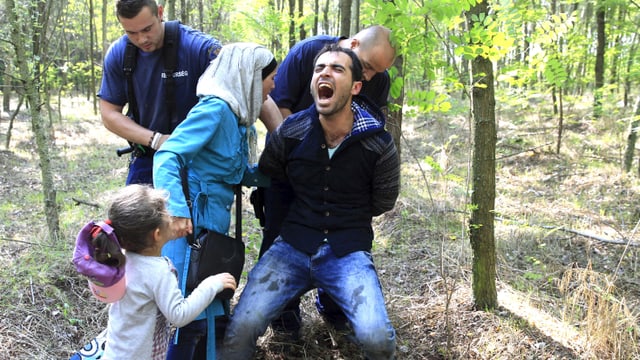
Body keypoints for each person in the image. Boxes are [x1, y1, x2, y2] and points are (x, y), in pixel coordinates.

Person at [220, 44, 400, 359]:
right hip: (292, 246)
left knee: (377, 339)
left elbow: (383, 200)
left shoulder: (378, 143)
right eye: (319, 69)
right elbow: (272, 171)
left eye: (337, 69)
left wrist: (347, 216)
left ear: (356, 87)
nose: (325, 74)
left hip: (348, 251)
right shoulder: (292, 131)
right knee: (242, 328)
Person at [258, 24, 396, 337]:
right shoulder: (310, 52)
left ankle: (335, 306)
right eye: (370, 67)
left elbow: (370, 124)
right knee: (280, 235)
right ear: (354, 44)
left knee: (346, 242)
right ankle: (284, 311)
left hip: (344, 178)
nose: (371, 77)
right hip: (289, 169)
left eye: (377, 72)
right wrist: (297, 153)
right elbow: (278, 105)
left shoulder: (379, 79)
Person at [153, 42, 277, 359]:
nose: (273, 86)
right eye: (269, 78)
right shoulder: (215, 110)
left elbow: (229, 170)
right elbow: (167, 156)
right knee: (184, 319)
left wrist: (279, 174)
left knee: (206, 316)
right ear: (249, 77)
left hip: (212, 232)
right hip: (189, 231)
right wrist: (177, 214)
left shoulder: (236, 120)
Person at [98, 0, 281, 185]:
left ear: (160, 13)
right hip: (148, 155)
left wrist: (283, 141)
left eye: (147, 29)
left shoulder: (199, 47)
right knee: (137, 212)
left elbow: (248, 88)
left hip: (200, 162)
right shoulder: (120, 54)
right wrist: (157, 140)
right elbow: (109, 113)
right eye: (131, 33)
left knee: (193, 214)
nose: (141, 39)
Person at [72, 184, 236, 360]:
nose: (170, 216)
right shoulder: (158, 272)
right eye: (167, 214)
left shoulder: (120, 258)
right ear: (157, 234)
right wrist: (210, 286)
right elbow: (178, 315)